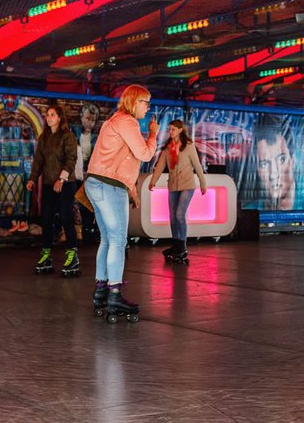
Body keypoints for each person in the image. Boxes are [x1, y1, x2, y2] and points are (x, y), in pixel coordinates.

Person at [84, 85, 157, 322]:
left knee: (107, 239)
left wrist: (132, 190)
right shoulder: (128, 122)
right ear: (134, 102)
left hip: (96, 183)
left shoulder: (113, 121)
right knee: (118, 240)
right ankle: (114, 294)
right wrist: (153, 134)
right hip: (109, 186)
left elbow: (122, 160)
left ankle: (101, 291)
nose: (148, 108)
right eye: (146, 102)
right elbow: (145, 154)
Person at [28, 103, 80, 276]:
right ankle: (46, 254)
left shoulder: (68, 136)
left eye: (52, 115)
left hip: (66, 184)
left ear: (59, 118)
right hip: (49, 184)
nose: (49, 117)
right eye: (47, 114)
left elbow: (71, 160)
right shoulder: (44, 138)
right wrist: (32, 178)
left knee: (66, 217)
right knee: (46, 219)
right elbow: (38, 161)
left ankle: (72, 255)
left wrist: (61, 179)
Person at [148, 119, 207, 264]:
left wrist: (203, 183)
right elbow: (160, 166)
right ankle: (176, 244)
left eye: (173, 129)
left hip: (187, 184)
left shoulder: (189, 146)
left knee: (180, 214)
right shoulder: (167, 148)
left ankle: (182, 245)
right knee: (173, 216)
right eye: (169, 129)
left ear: (180, 130)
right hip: (173, 185)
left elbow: (197, 165)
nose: (170, 131)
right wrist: (153, 181)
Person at [74, 103, 101, 242]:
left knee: (89, 201)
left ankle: (89, 229)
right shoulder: (74, 132)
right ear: (81, 117)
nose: (90, 122)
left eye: (93, 120)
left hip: (90, 173)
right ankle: (78, 230)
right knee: (76, 200)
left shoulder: (96, 137)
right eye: (87, 118)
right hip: (76, 172)